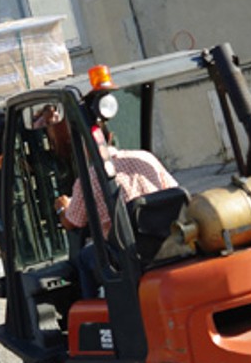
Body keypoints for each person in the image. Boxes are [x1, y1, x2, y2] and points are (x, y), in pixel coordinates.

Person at [53, 124, 177, 298]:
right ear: (110, 137)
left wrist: (62, 207)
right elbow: (173, 192)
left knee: (83, 259)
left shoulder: (87, 181)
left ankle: (94, 316)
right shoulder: (146, 158)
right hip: (166, 241)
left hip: (128, 253)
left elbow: (73, 222)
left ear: (82, 147)